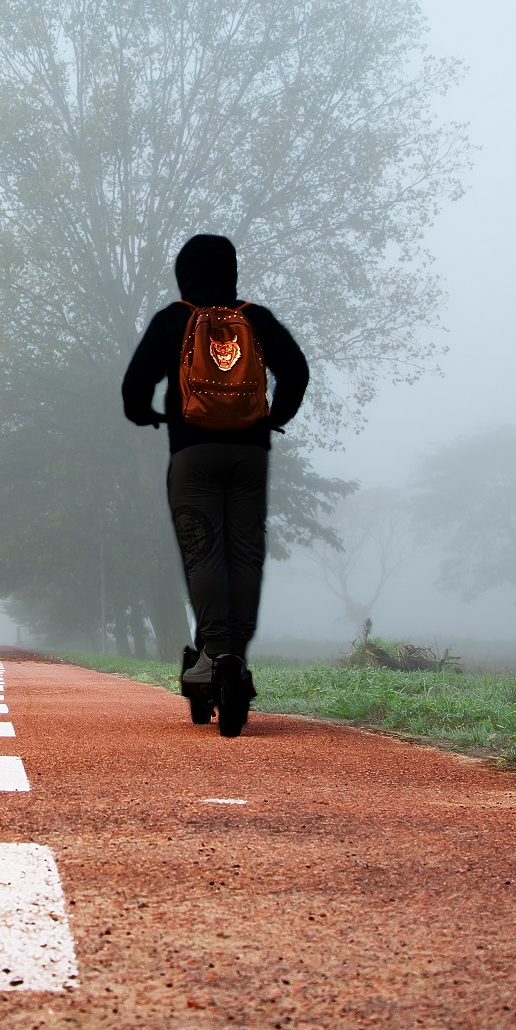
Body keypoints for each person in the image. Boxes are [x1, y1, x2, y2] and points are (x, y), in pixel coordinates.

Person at [121, 233, 308, 736]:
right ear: (231, 271)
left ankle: (214, 652)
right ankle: (237, 659)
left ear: (185, 272)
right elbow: (296, 371)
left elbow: (134, 387)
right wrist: (273, 417)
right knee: (245, 551)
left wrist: (148, 415)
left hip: (193, 455)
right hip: (250, 456)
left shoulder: (173, 319)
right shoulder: (256, 318)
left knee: (203, 550)